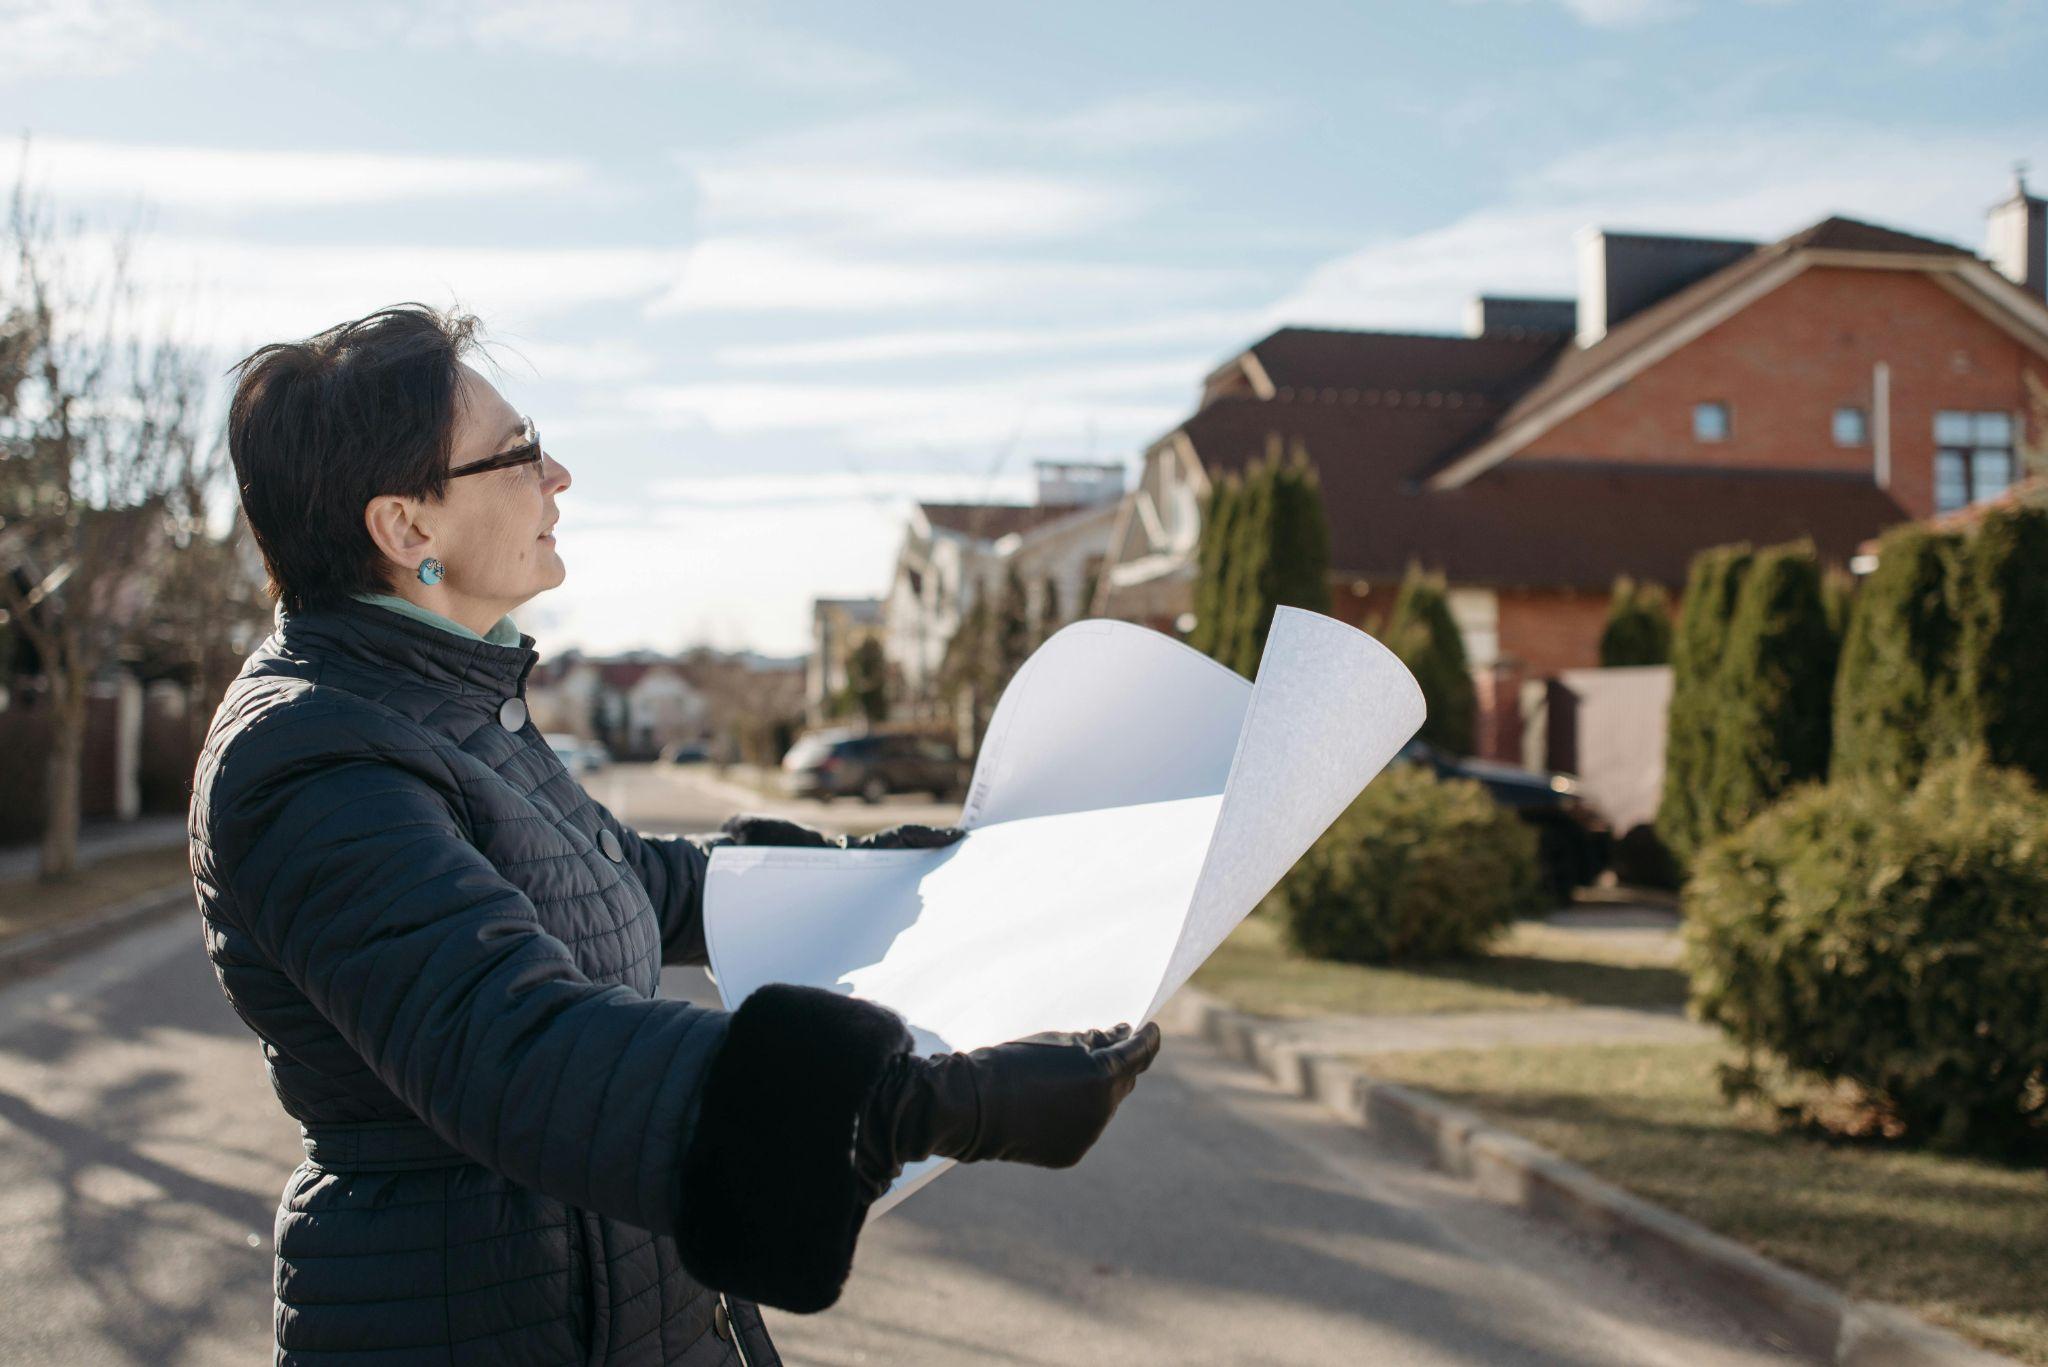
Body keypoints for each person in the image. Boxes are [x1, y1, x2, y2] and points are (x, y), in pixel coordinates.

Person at [190, 304, 1162, 1366]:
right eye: (517, 453)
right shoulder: (310, 758)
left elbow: (624, 883)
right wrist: (920, 1102)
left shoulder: (448, 701)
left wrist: (864, 871)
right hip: (466, 1323)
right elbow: (516, 1045)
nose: (556, 476)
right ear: (408, 528)